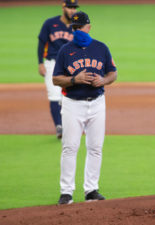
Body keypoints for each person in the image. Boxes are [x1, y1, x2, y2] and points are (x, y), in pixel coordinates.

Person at [52, 11, 117, 204]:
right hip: (73, 104)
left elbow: (113, 73)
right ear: (72, 28)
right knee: (70, 147)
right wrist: (74, 79)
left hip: (97, 103)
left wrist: (103, 80)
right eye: (75, 27)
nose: (79, 30)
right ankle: (66, 192)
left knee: (96, 148)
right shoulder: (65, 50)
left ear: (89, 27)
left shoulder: (101, 48)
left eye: (82, 27)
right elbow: (56, 79)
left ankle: (91, 190)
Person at [38, 0, 79, 139]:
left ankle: (72, 125)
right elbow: (41, 42)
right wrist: (40, 63)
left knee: (71, 95)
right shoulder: (50, 23)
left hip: (71, 65)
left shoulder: (78, 26)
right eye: (70, 7)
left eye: (74, 8)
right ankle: (59, 127)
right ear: (63, 7)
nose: (72, 10)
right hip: (52, 63)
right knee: (54, 95)